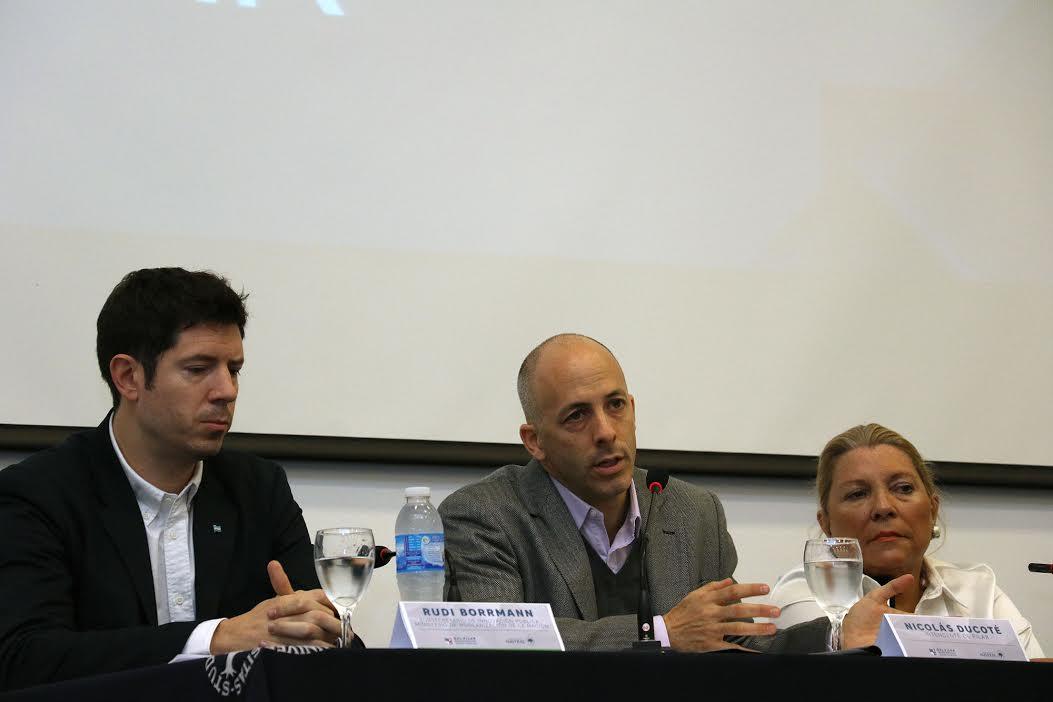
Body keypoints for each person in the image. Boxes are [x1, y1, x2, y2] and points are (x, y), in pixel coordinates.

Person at [440, 334, 903, 652]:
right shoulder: (484, 515)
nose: (605, 432)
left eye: (615, 406)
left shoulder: (692, 511)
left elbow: (735, 643)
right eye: (577, 416)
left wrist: (837, 635)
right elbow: (499, 639)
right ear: (534, 441)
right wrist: (659, 632)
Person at [0, 268, 347, 691]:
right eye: (199, 369)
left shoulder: (259, 489)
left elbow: (333, 641)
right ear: (128, 377)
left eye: (234, 369)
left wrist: (320, 631)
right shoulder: (38, 494)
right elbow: (24, 658)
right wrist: (213, 638)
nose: (227, 390)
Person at [769, 423, 1044, 658]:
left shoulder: (979, 591)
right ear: (826, 524)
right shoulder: (805, 591)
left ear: (932, 509)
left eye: (903, 488)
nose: (883, 507)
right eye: (857, 494)